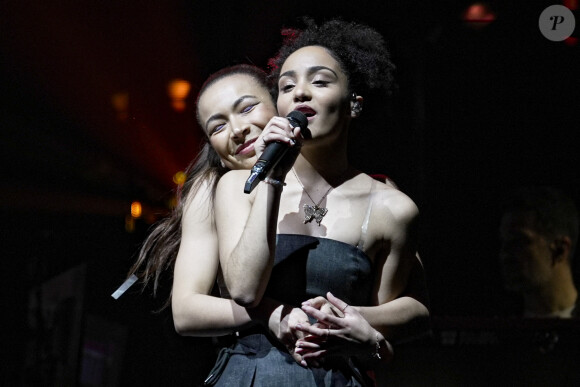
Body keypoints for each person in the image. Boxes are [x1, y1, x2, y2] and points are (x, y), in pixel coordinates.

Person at [213, 18, 429, 385]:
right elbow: (245, 290)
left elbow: (400, 318)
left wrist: (349, 324)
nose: (300, 93)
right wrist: (274, 177)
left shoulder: (392, 208)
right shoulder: (240, 185)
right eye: (287, 86)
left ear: (354, 105)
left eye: (320, 81)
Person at [499, 185, 579, 318]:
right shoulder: (492, 332)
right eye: (503, 242)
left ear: (560, 249)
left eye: (519, 241)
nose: (504, 254)